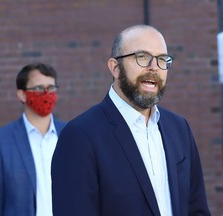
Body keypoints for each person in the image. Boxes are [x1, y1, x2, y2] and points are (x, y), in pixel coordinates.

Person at [51, 25, 210, 216]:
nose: (154, 67)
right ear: (115, 68)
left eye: (162, 59)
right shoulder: (80, 136)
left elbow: (197, 210)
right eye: (142, 57)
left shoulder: (179, 128)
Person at [0, 63, 66, 216]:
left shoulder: (69, 135)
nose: (46, 93)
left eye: (51, 88)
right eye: (39, 88)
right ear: (22, 94)